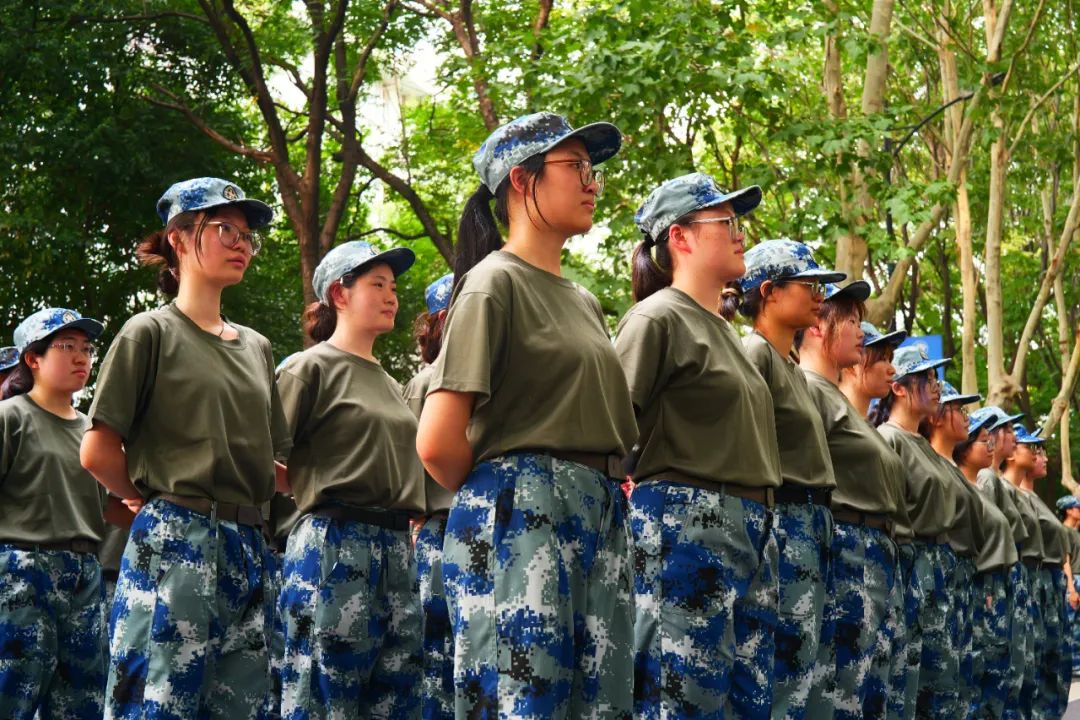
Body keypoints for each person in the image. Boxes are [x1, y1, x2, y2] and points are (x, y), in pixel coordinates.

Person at [415, 112, 637, 718]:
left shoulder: (583, 300)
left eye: (593, 170)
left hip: (597, 511)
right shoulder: (492, 283)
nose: (592, 182)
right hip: (524, 514)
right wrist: (511, 494)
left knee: (603, 705)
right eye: (576, 166)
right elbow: (436, 441)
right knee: (523, 701)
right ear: (521, 179)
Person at [80, 177, 290, 719]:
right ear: (177, 237)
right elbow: (98, 450)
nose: (241, 244)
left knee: (244, 707)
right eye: (225, 230)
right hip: (176, 538)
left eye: (248, 236)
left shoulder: (258, 347)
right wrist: (151, 499)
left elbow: (267, 460)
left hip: (250, 545)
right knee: (157, 704)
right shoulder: (148, 333)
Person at [616, 172, 780, 719]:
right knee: (681, 700)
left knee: (746, 703)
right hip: (686, 525)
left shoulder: (724, 331)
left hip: (748, 527)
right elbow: (611, 430)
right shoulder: (657, 317)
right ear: (680, 237)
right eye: (725, 222)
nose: (740, 233)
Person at [275, 240, 423, 719]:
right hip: (334, 544)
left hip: (397, 549)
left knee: (396, 698)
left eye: (393, 287)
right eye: (377, 284)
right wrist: (306, 485)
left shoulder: (393, 385)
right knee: (322, 699)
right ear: (339, 294)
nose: (391, 296)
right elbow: (256, 456)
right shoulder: (308, 368)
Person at [728, 239, 844, 719]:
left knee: (802, 671)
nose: (819, 295)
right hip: (784, 519)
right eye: (808, 284)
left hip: (809, 525)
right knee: (781, 671)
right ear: (769, 291)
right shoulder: (754, 352)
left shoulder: (790, 365)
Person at [798, 289, 907, 719]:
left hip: (868, 554)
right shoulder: (809, 388)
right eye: (851, 321)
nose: (861, 332)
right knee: (840, 689)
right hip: (844, 550)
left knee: (865, 689)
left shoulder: (832, 396)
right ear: (817, 326)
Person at [0, 308, 107, 720]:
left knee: (83, 702)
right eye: (66, 346)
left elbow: (110, 507)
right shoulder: (11, 416)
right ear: (33, 358)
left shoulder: (93, 432)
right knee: (13, 692)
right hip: (24, 571)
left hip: (84, 574)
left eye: (87, 348)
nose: (81, 357)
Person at [870, 345, 961, 719]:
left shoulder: (923, 444)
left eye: (936, 377)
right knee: (908, 682)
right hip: (911, 563)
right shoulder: (889, 439)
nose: (936, 386)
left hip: (938, 564)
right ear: (899, 388)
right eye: (926, 377)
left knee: (942, 681)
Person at [403, 271, 455, 720]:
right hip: (440, 531)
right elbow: (407, 467)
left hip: (468, 529)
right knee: (437, 655)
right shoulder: (427, 382)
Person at [921, 382, 989, 715]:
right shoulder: (928, 459)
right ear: (936, 417)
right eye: (958, 409)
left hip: (961, 574)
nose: (966, 417)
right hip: (939, 571)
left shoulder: (948, 466)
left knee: (961, 678)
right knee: (941, 680)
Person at [972, 406, 1038, 718]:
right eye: (1007, 430)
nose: (1013, 437)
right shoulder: (987, 477)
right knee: (1001, 671)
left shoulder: (995, 478)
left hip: (1010, 576)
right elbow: (984, 533)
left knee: (1017, 667)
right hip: (995, 578)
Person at [953, 414, 1019, 718]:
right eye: (984, 439)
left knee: (1000, 670)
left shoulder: (980, 483)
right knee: (984, 671)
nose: (991, 444)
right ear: (965, 448)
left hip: (995, 582)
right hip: (983, 585)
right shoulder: (980, 481)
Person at [1009, 425, 1068, 719]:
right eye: (1032, 448)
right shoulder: (1012, 492)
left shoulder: (1032, 497)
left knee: (1052, 658)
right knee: (1035, 661)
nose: (1038, 455)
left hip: (1047, 579)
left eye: (1040, 450)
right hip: (1032, 577)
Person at [1056, 495, 1080, 677]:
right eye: (1077, 507)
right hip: (1073, 580)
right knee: (1069, 623)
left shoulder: (1076, 532)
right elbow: (1066, 561)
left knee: (1077, 624)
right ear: (1069, 511)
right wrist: (1071, 588)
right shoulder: (1063, 531)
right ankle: (1070, 664)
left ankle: (1076, 663)